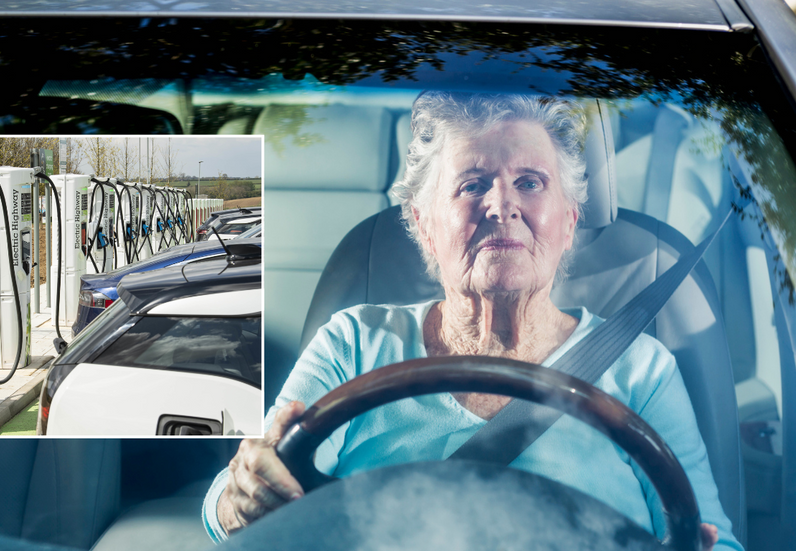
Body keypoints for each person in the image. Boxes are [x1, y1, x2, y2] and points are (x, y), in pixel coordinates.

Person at [202, 92, 742, 551]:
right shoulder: (353, 343)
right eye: (471, 184)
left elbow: (711, 533)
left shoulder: (640, 367)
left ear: (570, 221)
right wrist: (241, 496)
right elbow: (236, 498)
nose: (501, 204)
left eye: (530, 182)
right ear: (424, 225)